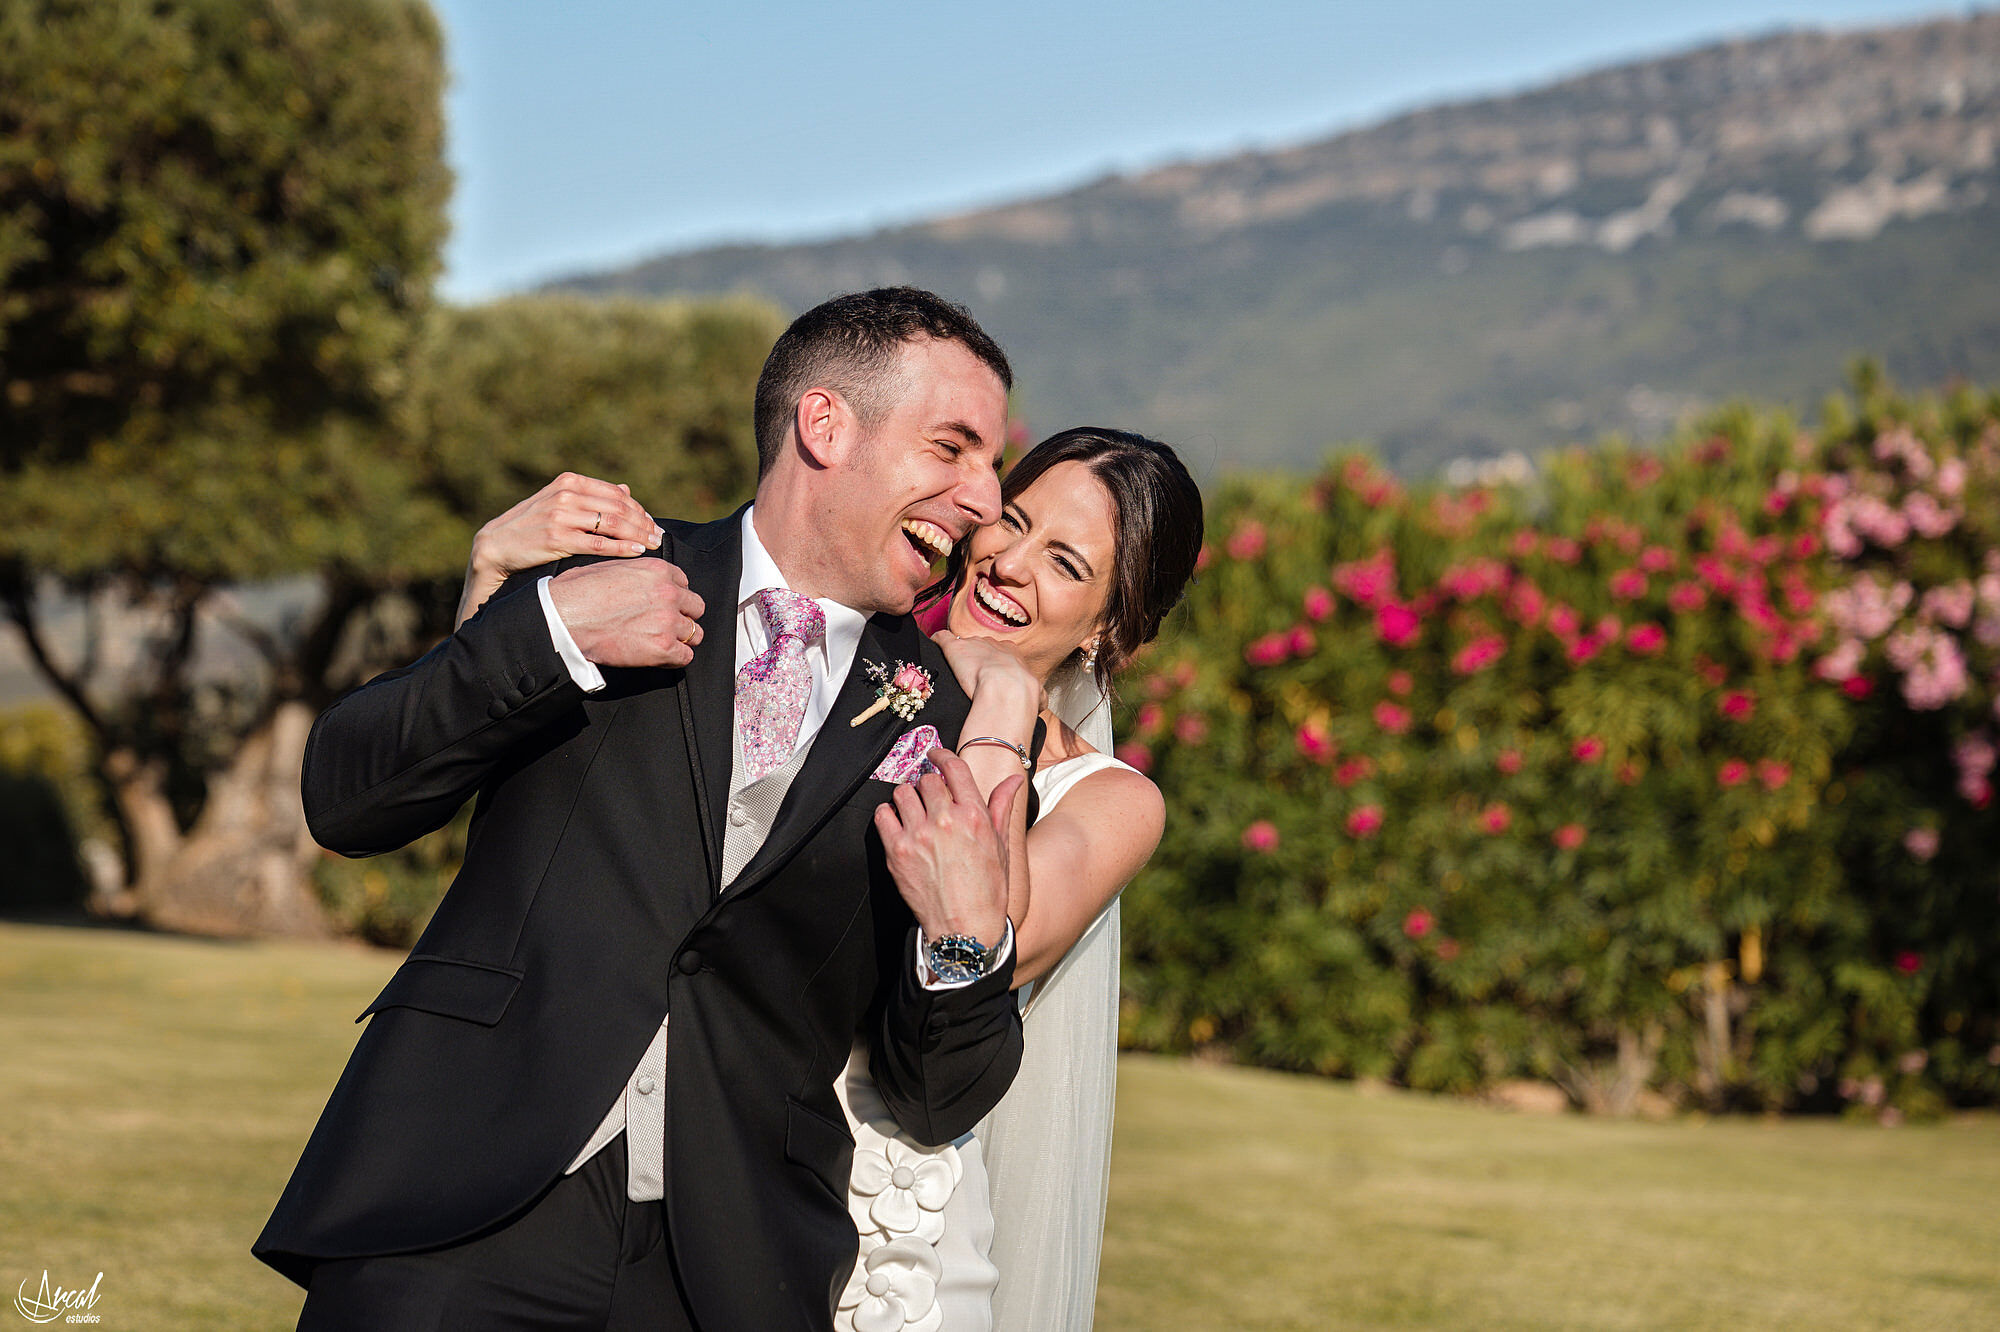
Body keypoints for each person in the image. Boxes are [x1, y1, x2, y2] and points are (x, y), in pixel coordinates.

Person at [255, 288, 1034, 1332]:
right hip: (465, 1208)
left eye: (989, 465)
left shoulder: (945, 719)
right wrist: (545, 628)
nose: (982, 498)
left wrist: (965, 939)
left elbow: (940, 1093)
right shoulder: (601, 573)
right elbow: (348, 798)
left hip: (727, 1267)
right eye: (952, 448)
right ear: (824, 425)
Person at [463, 428, 1204, 1330]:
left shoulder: (1110, 800)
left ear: (1109, 627)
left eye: (1063, 562)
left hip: (889, 1211)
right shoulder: (832, 651)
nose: (1008, 563)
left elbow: (986, 941)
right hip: (698, 1148)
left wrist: (1004, 709)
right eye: (1010, 522)